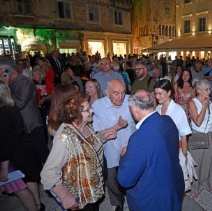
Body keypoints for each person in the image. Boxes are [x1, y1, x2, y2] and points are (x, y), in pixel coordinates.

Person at [41, 93, 115, 210]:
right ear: (73, 115)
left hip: (93, 191)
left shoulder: (86, 125)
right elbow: (48, 173)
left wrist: (101, 138)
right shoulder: (64, 137)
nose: (92, 111)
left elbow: (86, 148)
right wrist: (64, 196)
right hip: (80, 199)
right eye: (87, 110)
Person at [117, 90, 184, 211]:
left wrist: (124, 156)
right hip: (174, 187)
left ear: (134, 111)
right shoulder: (167, 120)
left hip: (153, 200)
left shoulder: (139, 139)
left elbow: (125, 179)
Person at [0, 56, 48, 209]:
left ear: (6, 71)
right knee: (29, 171)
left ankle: (55, 186)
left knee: (43, 158)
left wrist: (6, 88)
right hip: (21, 131)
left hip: (32, 126)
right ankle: (38, 204)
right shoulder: (10, 84)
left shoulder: (25, 82)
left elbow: (18, 104)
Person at [92, 79, 136, 211]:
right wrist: (117, 126)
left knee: (132, 175)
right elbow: (97, 133)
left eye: (123, 93)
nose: (121, 97)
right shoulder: (98, 106)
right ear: (107, 92)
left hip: (129, 147)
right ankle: (117, 203)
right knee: (111, 178)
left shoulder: (131, 101)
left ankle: (133, 199)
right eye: (116, 93)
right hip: (110, 149)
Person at [0, 81, 39, 211]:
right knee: (29, 178)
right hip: (24, 145)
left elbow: (4, 142)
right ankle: (38, 205)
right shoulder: (12, 106)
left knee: (19, 187)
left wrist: (4, 168)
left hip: (15, 151)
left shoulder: (2, 112)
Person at [188, 79, 212, 198]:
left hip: (209, 134)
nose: (210, 91)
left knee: (207, 160)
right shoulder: (192, 103)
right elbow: (198, 122)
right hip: (197, 134)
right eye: (207, 89)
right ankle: (194, 186)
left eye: (210, 89)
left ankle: (204, 180)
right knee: (196, 161)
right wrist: (204, 106)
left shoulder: (210, 101)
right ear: (199, 90)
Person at [154, 79, 192, 161]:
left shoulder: (178, 110)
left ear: (169, 92)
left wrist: (184, 155)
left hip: (174, 149)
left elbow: (184, 136)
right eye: (156, 94)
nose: (157, 97)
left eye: (160, 93)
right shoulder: (158, 108)